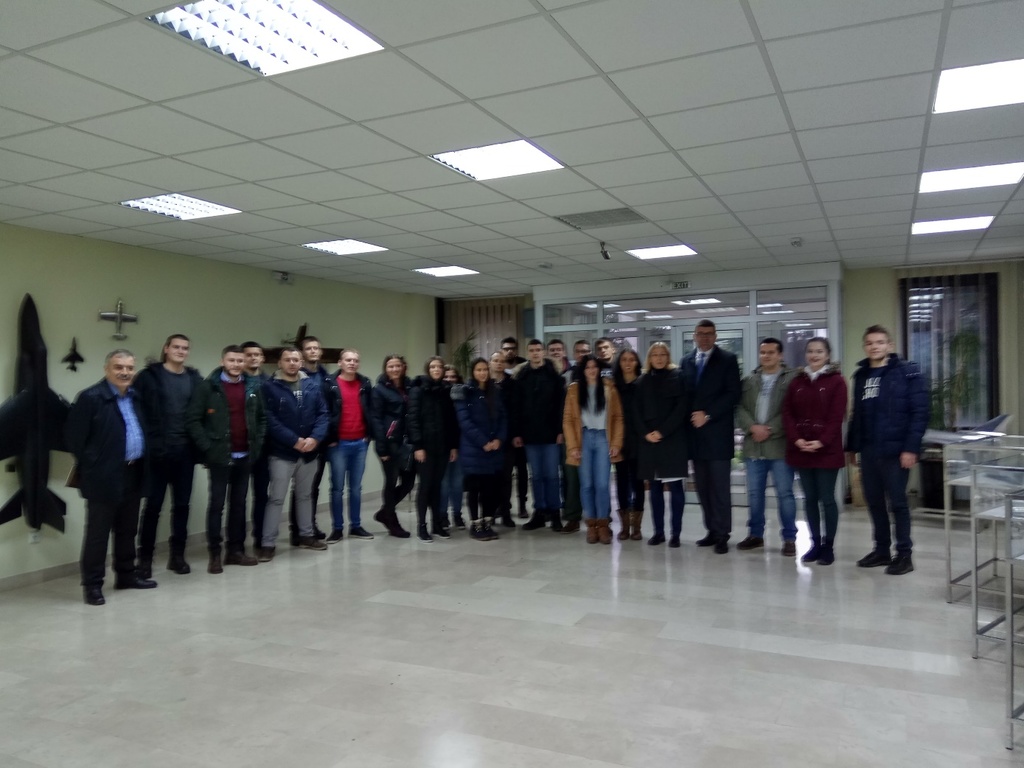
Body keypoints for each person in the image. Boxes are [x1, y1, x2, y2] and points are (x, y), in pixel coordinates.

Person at [66, 349, 157, 605]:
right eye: (119, 367)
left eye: (129, 368)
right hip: (103, 477)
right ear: (107, 369)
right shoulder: (91, 398)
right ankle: (93, 585)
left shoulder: (136, 396)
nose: (125, 372)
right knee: (98, 534)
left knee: (128, 530)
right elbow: (74, 439)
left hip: (134, 472)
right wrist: (95, 464)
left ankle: (126, 575)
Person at [846, 325, 929, 575]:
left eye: (880, 342)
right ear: (865, 347)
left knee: (898, 504)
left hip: (896, 451)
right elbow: (856, 415)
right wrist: (852, 447)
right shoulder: (861, 376)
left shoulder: (907, 372)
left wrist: (911, 448)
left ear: (889, 345)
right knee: (874, 503)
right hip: (869, 450)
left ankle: (904, 554)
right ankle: (881, 550)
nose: (875, 347)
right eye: (870, 343)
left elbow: (919, 413)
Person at [185, 345, 266, 573]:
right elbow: (193, 420)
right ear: (223, 361)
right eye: (232, 360)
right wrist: (207, 447)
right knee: (217, 506)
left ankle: (235, 551)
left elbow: (262, 418)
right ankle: (215, 554)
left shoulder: (252, 386)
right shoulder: (208, 387)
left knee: (239, 505)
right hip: (220, 457)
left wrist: (257, 442)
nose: (236, 364)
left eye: (240, 361)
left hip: (245, 455)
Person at [134, 334, 202, 578]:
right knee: (152, 508)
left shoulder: (194, 379)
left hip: (185, 453)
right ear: (166, 349)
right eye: (176, 347)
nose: (181, 351)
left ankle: (177, 557)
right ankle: (144, 560)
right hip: (157, 453)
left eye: (185, 348)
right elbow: (137, 411)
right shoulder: (148, 377)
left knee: (182, 506)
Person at [782, 338, 848, 565]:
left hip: (826, 451)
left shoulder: (837, 381)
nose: (814, 355)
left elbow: (836, 417)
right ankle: (815, 544)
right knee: (810, 498)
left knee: (827, 498)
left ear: (827, 355)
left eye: (819, 351)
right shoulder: (797, 382)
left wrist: (822, 441)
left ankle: (828, 546)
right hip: (802, 449)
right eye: (810, 351)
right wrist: (796, 439)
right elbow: (787, 413)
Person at [260, 347, 329, 559]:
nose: (292, 363)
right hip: (282, 453)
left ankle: (306, 535)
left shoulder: (312, 385)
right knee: (276, 499)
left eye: (295, 359)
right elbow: (270, 420)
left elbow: (323, 414)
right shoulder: (269, 387)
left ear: (301, 362)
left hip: (309, 452)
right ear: (279, 363)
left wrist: (314, 438)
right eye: (287, 359)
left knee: (305, 495)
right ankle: (268, 543)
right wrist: (294, 441)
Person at [680, 320, 741, 554]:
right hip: (695, 437)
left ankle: (723, 534)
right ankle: (711, 531)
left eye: (709, 334)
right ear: (694, 336)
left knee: (720, 489)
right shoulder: (686, 361)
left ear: (715, 336)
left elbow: (733, 394)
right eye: (700, 333)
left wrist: (707, 415)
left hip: (717, 435)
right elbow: (684, 396)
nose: (704, 337)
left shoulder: (728, 359)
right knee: (703, 488)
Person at [735, 338, 799, 556]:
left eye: (771, 352)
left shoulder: (791, 379)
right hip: (754, 447)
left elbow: (792, 411)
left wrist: (769, 429)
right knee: (754, 494)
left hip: (780, 447)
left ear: (780, 355)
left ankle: (789, 538)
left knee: (785, 494)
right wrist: (752, 427)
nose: (766, 356)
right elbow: (739, 408)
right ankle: (755, 535)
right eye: (763, 352)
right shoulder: (749, 380)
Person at [633, 342, 689, 547]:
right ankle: (658, 532)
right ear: (649, 358)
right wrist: (645, 434)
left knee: (675, 488)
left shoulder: (678, 377)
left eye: (662, 354)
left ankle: (676, 534)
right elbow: (635, 412)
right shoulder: (641, 381)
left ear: (668, 356)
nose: (658, 358)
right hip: (649, 442)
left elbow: (681, 408)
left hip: (672, 441)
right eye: (654, 355)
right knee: (654, 488)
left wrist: (663, 431)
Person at [563, 355, 623, 544]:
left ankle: (603, 524)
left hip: (604, 437)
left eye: (594, 367)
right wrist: (572, 446)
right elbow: (567, 420)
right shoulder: (574, 390)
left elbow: (618, 418)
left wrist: (616, 443)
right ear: (582, 370)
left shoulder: (609, 387)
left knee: (602, 484)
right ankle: (591, 525)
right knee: (587, 485)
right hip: (584, 438)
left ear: (599, 369)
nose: (591, 370)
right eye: (587, 367)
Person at [452, 358, 507, 541]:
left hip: (494, 449)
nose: (482, 373)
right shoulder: (465, 392)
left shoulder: (495, 391)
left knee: (490, 489)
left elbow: (503, 417)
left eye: (485, 369)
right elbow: (465, 422)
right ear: (473, 372)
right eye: (478, 370)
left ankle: (487, 523)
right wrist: (483, 442)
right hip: (473, 449)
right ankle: (475, 524)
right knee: (474, 489)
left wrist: (499, 439)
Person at [324, 348, 375, 543]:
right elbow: (324, 412)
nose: (352, 363)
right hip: (338, 444)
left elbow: (370, 410)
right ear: (340, 363)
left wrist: (368, 435)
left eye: (355, 360)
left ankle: (356, 526)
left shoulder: (365, 384)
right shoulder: (330, 384)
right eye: (348, 360)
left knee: (356, 488)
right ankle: (337, 528)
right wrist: (329, 437)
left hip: (360, 443)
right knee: (337, 488)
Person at [515, 339, 565, 531]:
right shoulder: (522, 377)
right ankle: (540, 512)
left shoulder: (554, 376)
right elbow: (517, 407)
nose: (535, 353)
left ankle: (554, 512)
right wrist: (518, 433)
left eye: (538, 350)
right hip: (529, 435)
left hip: (551, 434)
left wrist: (560, 431)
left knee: (552, 475)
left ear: (543, 352)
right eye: (532, 350)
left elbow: (561, 405)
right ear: (528, 353)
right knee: (536, 476)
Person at [408, 356, 459, 542]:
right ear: (428, 369)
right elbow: (413, 420)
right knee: (425, 486)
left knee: (437, 486)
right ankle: (422, 526)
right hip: (425, 448)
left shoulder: (446, 390)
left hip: (443, 446)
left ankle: (437, 524)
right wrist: (418, 446)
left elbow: (452, 421)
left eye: (439, 367)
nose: (436, 369)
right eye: (433, 367)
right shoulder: (418, 390)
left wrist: (453, 446)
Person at [371, 354, 415, 538]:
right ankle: (391, 520)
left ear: (403, 367)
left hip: (407, 443)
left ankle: (384, 512)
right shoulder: (379, 390)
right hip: (389, 443)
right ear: (386, 369)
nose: (395, 369)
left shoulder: (410, 386)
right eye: (391, 366)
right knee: (391, 482)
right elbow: (375, 419)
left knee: (408, 483)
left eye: (398, 365)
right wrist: (382, 448)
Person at [295, 335, 331, 542]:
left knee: (313, 486)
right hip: (301, 439)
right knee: (301, 487)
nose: (313, 351)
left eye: (316, 348)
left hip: (321, 439)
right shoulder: (297, 376)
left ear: (320, 351)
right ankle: (297, 529)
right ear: (302, 353)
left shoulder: (326, 377)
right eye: (308, 348)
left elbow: (329, 409)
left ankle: (310, 524)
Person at [611, 348, 646, 541]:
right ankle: (624, 526)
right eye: (624, 359)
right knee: (622, 483)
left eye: (631, 359)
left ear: (636, 363)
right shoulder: (613, 386)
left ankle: (637, 527)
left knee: (638, 483)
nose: (627, 363)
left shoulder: (643, 383)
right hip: (619, 439)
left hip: (639, 440)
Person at [490, 351, 526, 526]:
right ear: (490, 363)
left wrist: (516, 434)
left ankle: (505, 512)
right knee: (491, 478)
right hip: (489, 439)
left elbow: (517, 411)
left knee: (506, 477)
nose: (499, 363)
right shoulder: (484, 383)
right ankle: (491, 511)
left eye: (502, 361)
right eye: (495, 360)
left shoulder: (513, 384)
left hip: (508, 438)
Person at [241, 341, 271, 553]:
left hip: (264, 447)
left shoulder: (269, 383)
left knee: (262, 495)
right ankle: (237, 542)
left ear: (262, 358)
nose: (253, 358)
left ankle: (260, 537)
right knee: (238, 497)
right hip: (240, 447)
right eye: (249, 354)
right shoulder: (236, 382)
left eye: (257, 354)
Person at [560, 338, 592, 532]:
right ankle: (572, 516)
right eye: (579, 351)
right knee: (572, 477)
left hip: (594, 434)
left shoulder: (598, 375)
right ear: (574, 354)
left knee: (595, 478)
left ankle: (598, 516)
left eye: (585, 351)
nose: (582, 354)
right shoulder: (566, 377)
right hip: (572, 433)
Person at [440, 365, 466, 529]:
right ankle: (442, 515)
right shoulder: (437, 395)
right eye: (446, 376)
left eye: (452, 377)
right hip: (442, 446)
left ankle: (457, 514)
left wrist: (455, 446)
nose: (449, 380)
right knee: (443, 484)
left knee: (457, 483)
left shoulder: (464, 395)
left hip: (460, 445)